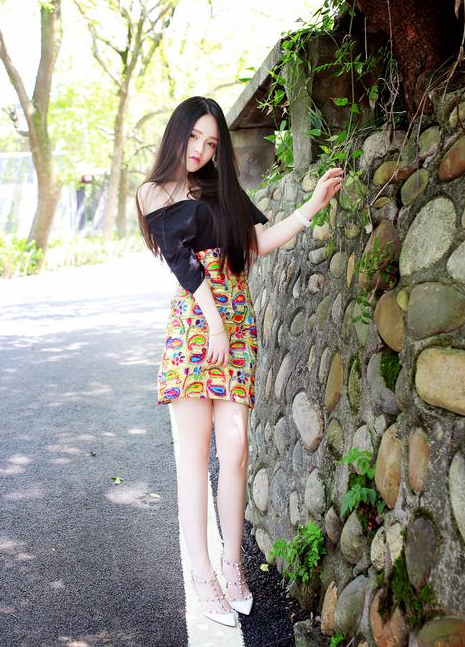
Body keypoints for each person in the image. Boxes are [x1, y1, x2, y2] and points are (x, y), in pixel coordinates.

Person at [136, 96, 343, 627]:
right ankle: (203, 573)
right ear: (176, 133)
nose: (201, 151)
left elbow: (255, 244)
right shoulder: (154, 191)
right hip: (197, 328)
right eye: (194, 138)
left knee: (236, 447)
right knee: (193, 461)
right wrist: (215, 326)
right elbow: (184, 266)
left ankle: (233, 564)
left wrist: (312, 206)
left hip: (235, 324)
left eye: (211, 143)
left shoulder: (221, 188)